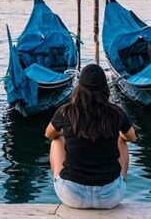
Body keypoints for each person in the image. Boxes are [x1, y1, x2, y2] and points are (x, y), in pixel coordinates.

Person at [45, 63, 135, 209]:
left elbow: (49, 134)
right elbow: (131, 137)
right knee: (122, 139)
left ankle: (58, 178)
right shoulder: (117, 113)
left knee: (57, 140)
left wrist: (67, 133)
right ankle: (121, 180)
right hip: (110, 197)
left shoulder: (66, 111)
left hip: (72, 195)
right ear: (105, 88)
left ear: (79, 88)